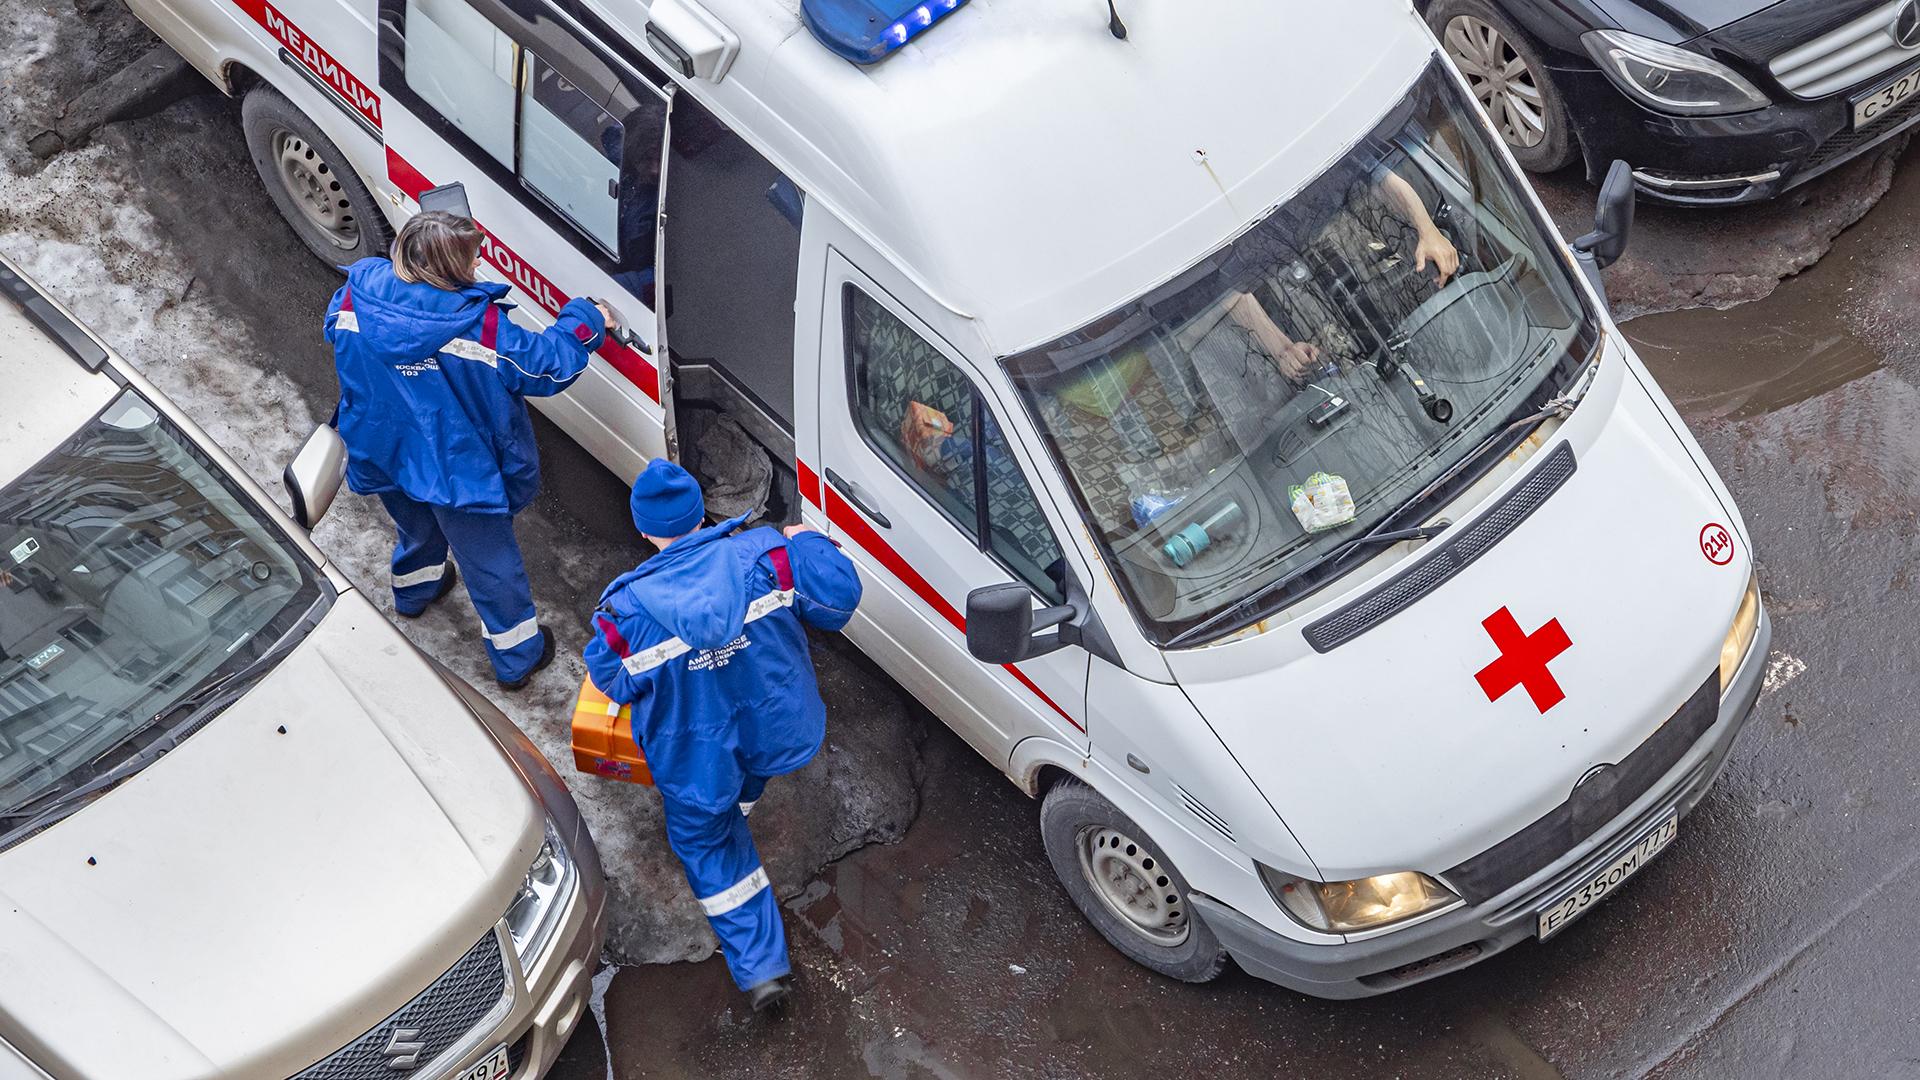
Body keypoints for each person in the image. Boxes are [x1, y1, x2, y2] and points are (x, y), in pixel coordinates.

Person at [582, 460, 861, 1012]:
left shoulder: (626, 613)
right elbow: (837, 600)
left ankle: (761, 971)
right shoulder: (766, 556)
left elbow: (609, 677)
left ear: (643, 530)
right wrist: (804, 541)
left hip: (700, 755)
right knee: (752, 763)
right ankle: (744, 799)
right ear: (700, 514)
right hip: (775, 725)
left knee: (707, 841)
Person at [323, 211, 612, 689]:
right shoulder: (480, 327)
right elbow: (547, 368)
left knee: (415, 527)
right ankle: (517, 657)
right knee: (492, 569)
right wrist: (585, 320)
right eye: (472, 259)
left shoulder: (356, 292)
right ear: (448, 269)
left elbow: (337, 333)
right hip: (456, 471)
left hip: (381, 445)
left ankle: (416, 590)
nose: (478, 266)